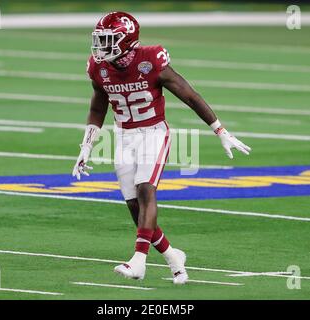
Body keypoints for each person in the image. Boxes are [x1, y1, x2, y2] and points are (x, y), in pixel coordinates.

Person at [72, 11, 251, 284]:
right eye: (100, 39)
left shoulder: (150, 60)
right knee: (133, 204)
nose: (101, 46)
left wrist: (220, 130)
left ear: (126, 40)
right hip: (123, 135)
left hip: (154, 133)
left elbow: (188, 94)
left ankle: (139, 261)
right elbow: (98, 105)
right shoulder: (99, 68)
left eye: (108, 40)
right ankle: (172, 256)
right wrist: (86, 145)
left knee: (146, 189)